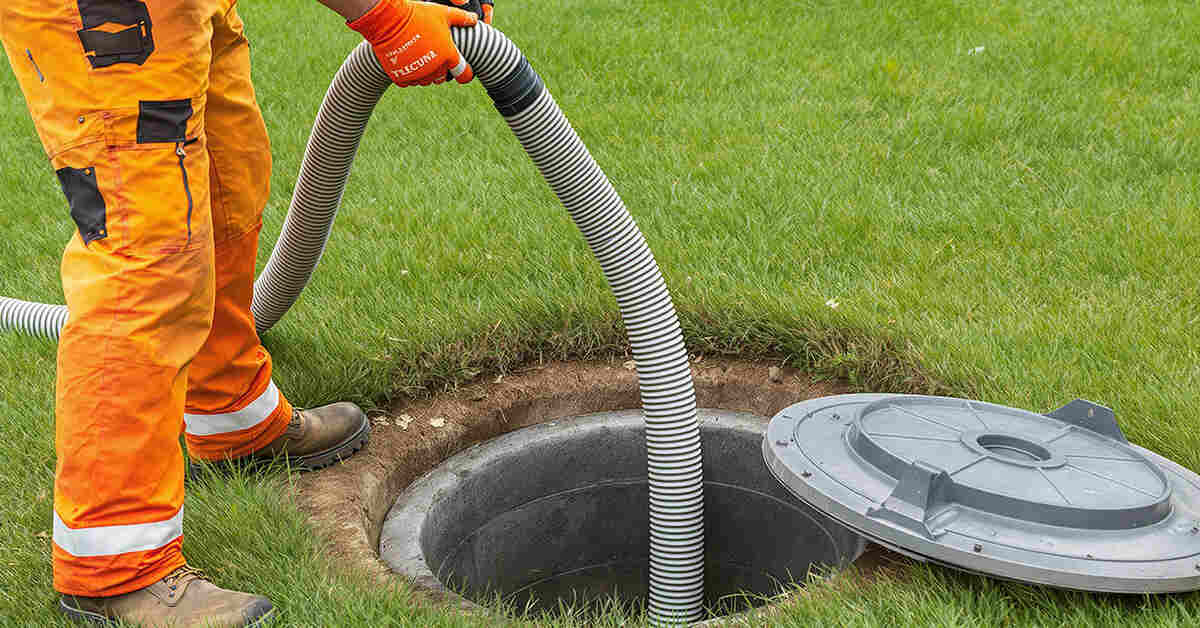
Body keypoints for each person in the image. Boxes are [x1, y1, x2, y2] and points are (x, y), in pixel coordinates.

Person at [0, 0, 490, 624]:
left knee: (228, 182)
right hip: (106, 18)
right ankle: (116, 563)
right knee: (146, 254)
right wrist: (384, 13)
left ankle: (230, 411)